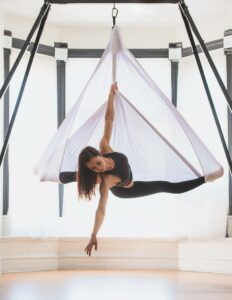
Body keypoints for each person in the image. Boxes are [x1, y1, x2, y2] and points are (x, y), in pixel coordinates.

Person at [59, 82, 224, 256]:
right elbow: (101, 209)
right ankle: (207, 178)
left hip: (122, 174)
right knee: (164, 186)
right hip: (127, 189)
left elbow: (109, 119)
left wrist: (111, 94)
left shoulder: (105, 146)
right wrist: (93, 235)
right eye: (94, 168)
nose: (98, 168)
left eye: (98, 164)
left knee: (80, 176)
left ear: (101, 154)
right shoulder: (106, 180)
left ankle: (68, 176)